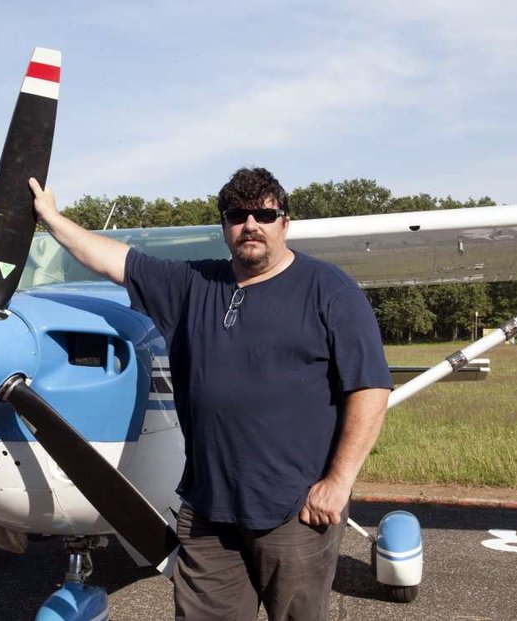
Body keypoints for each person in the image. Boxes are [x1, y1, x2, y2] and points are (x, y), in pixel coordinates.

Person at [28, 167, 392, 621]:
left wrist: (338, 484)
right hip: (207, 509)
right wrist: (51, 219)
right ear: (224, 226)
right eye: (238, 215)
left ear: (285, 221)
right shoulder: (194, 284)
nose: (251, 225)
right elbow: (111, 260)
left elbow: (370, 387)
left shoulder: (329, 290)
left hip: (295, 510)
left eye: (264, 213)